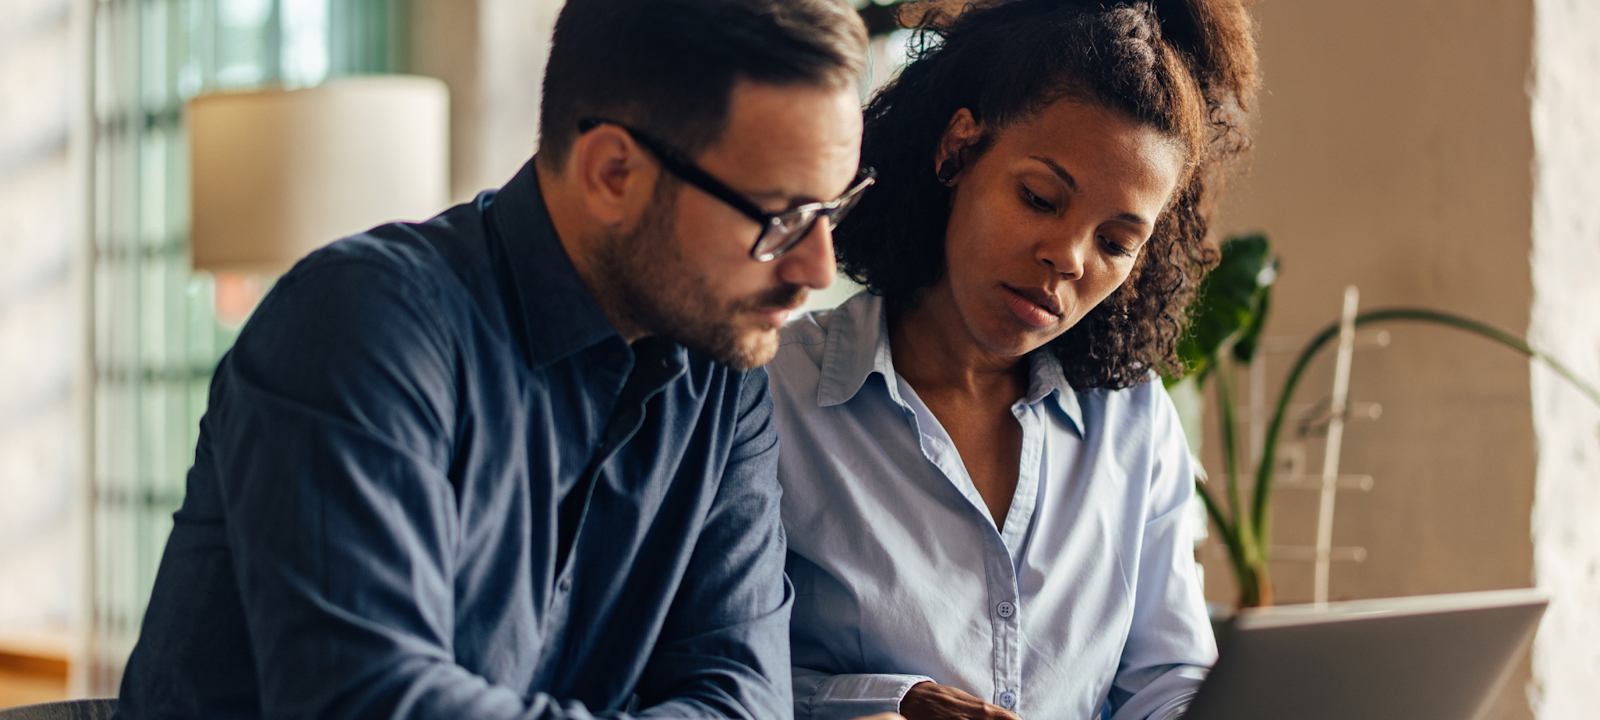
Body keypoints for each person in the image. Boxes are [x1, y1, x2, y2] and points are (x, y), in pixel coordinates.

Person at [114, 1, 902, 718]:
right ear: (612, 174)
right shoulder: (359, 325)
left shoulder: (724, 377)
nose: (817, 270)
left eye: (835, 209)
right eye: (783, 217)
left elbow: (748, 700)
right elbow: (373, 704)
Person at [768, 0, 1260, 719]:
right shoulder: (775, 393)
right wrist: (890, 707)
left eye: (1117, 243)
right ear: (957, 150)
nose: (1067, 257)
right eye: (1039, 198)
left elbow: (1168, 674)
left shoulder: (1133, 420)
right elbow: (715, 668)